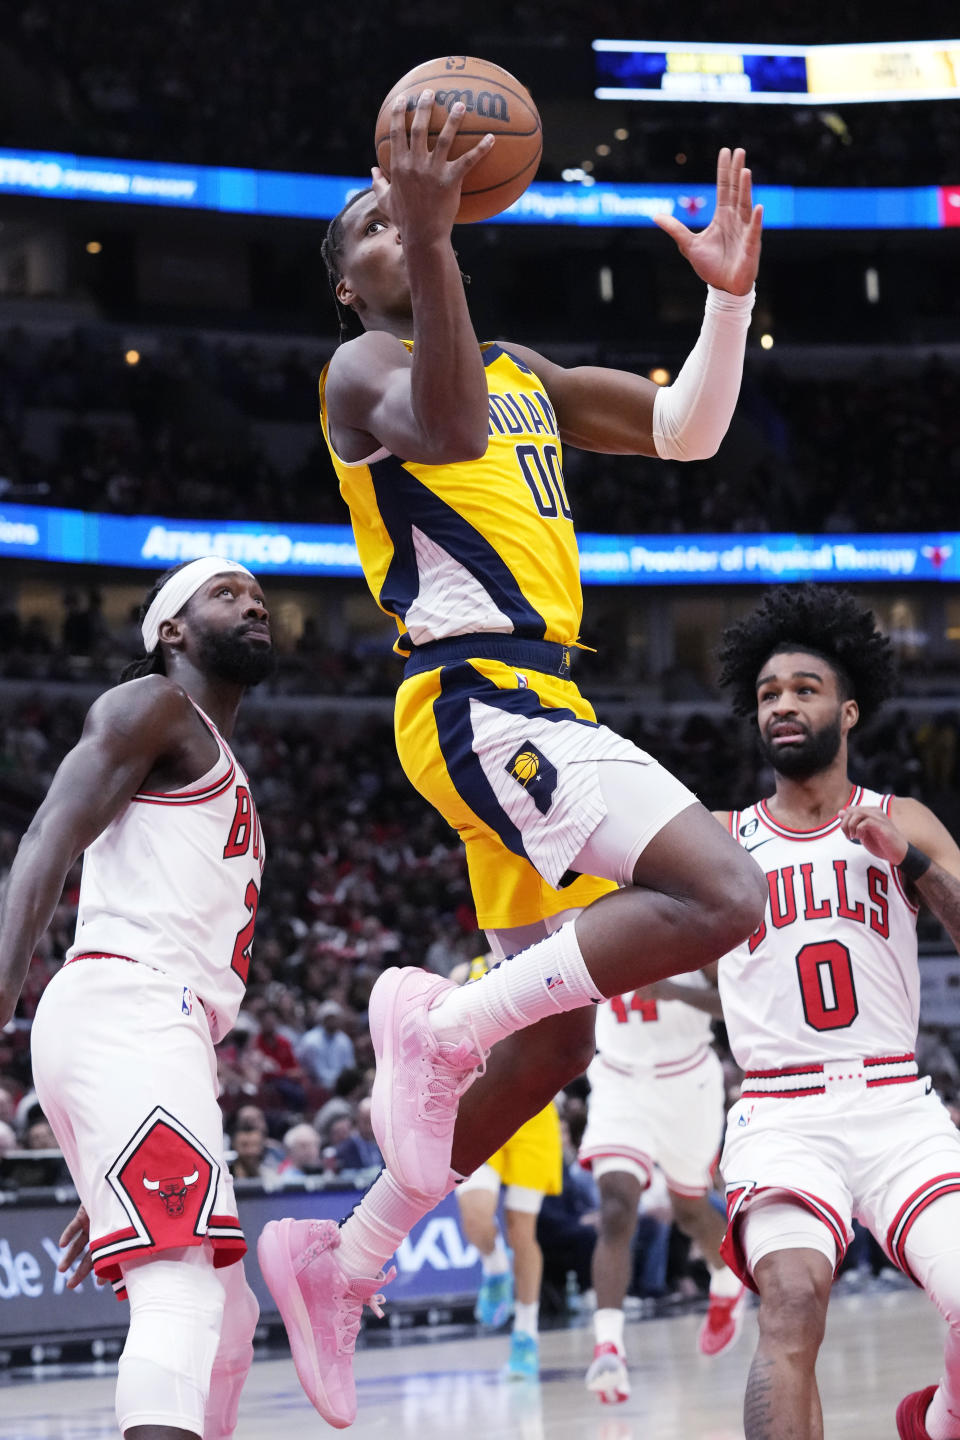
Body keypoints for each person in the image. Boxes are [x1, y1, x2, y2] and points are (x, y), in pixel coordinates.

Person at [257, 90, 767, 1427]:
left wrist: (725, 302)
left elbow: (688, 432)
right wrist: (428, 239)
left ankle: (342, 1260)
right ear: (349, 286)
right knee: (725, 896)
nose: (396, 229)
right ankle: (439, 1024)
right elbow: (455, 437)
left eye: (403, 217)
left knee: (546, 1059)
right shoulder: (360, 375)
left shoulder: (523, 368)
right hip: (483, 697)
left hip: (526, 711)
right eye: (369, 227)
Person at [0, 556, 273, 1440]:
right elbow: (45, 840)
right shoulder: (153, 705)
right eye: (225, 594)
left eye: (259, 594)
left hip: (156, 1034)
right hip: (129, 1006)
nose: (254, 602)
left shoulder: (217, 755)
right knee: (182, 1284)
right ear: (171, 631)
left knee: (230, 1315)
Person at [713, 585, 960, 1440]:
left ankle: (938, 1419)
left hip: (897, 1103)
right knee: (790, 1303)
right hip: (781, 1111)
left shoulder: (904, 819)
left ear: (848, 711)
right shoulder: (717, 837)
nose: (782, 703)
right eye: (768, 693)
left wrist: (915, 861)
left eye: (803, 689)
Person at [580, 968, 745, 1404]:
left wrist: (672, 991)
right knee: (616, 1210)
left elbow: (733, 1004)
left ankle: (727, 1284)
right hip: (617, 1077)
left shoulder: (697, 912)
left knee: (689, 1210)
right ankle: (608, 1347)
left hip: (686, 1082)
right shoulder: (580, 904)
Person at [452, 954, 563, 1380]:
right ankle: (495, 1266)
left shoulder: (550, 958)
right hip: (480, 1103)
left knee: (523, 1230)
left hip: (534, 1113)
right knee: (477, 1221)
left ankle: (526, 1335)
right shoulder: (467, 970)